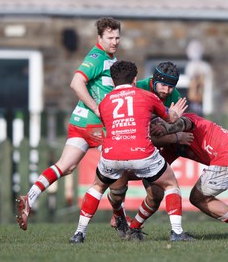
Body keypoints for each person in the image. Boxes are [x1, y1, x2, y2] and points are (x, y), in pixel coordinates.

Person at [69, 60, 194, 243]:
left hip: (112, 154)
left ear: (113, 82)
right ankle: (176, 232)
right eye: (164, 85)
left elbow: (111, 127)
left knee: (97, 187)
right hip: (141, 152)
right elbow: (170, 117)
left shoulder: (104, 102)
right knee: (170, 184)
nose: (167, 91)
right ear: (135, 80)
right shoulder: (146, 94)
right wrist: (174, 127)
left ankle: (79, 234)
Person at [16, 17, 121, 231]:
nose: (115, 41)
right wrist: (96, 108)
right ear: (99, 37)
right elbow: (76, 82)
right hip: (95, 125)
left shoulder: (110, 57)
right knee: (117, 167)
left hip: (79, 123)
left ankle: (30, 197)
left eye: (117, 37)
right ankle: (118, 215)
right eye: (110, 37)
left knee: (65, 166)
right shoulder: (97, 56)